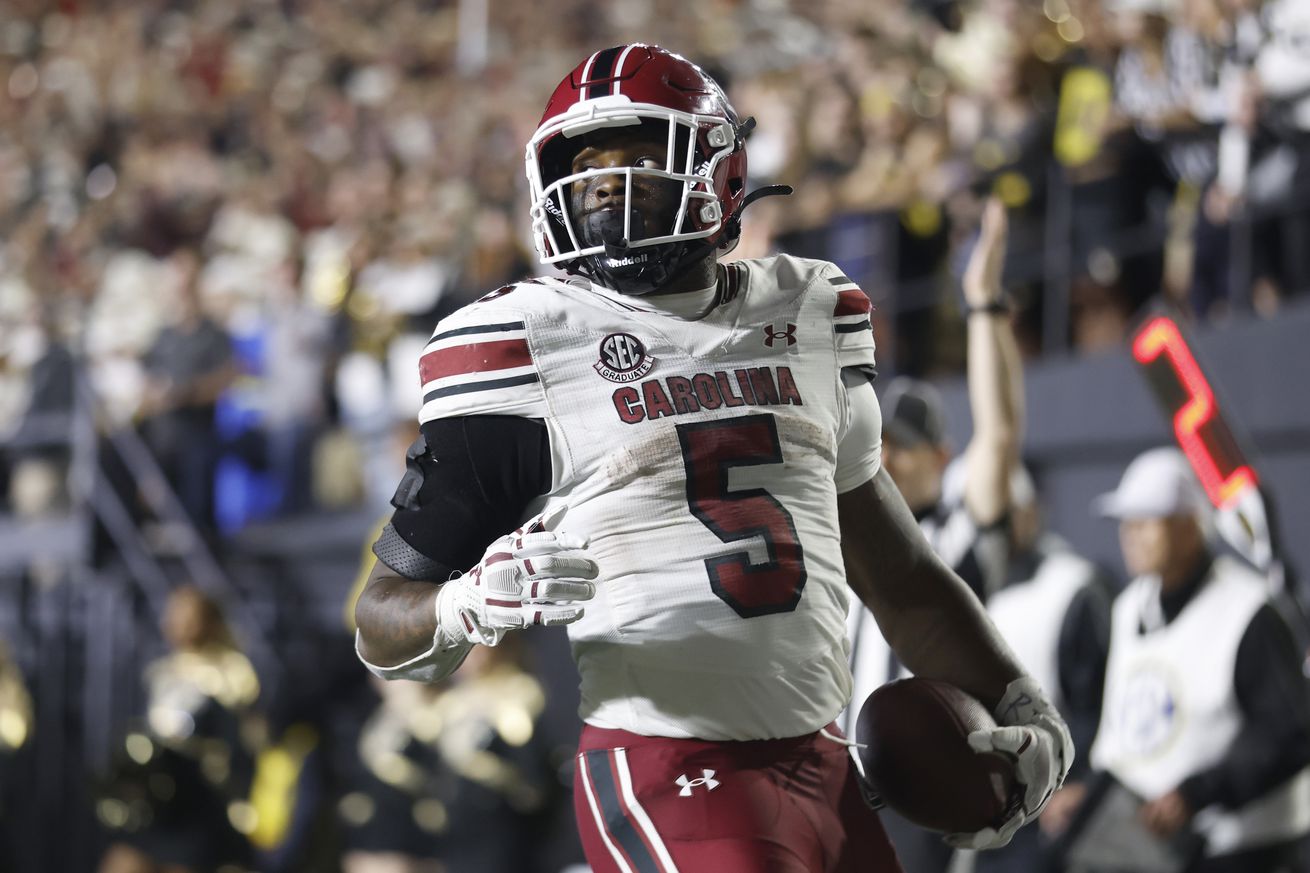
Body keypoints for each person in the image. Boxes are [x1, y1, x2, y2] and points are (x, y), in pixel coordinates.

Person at [354, 44, 1072, 873]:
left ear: (718, 169)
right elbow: (382, 616)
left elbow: (900, 573)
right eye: (585, 163)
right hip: (661, 761)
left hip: (821, 759)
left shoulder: (806, 313)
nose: (602, 184)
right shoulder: (526, 343)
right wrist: (467, 605)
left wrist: (1021, 702)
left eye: (636, 156)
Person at [845, 199, 1025, 872]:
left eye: (905, 447)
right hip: (844, 774)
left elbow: (1001, 434)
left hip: (925, 785)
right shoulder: (858, 536)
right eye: (879, 446)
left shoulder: (960, 532)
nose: (885, 460)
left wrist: (981, 306)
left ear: (942, 458)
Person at [1056, 447, 1310, 873]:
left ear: (1191, 527)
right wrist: (1091, 794)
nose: (1130, 533)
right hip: (1151, 849)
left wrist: (1198, 793)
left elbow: (1290, 732)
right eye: (1126, 522)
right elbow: (1126, 735)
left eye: (1146, 521)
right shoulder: (1129, 607)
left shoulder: (1247, 611)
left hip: (1245, 851)